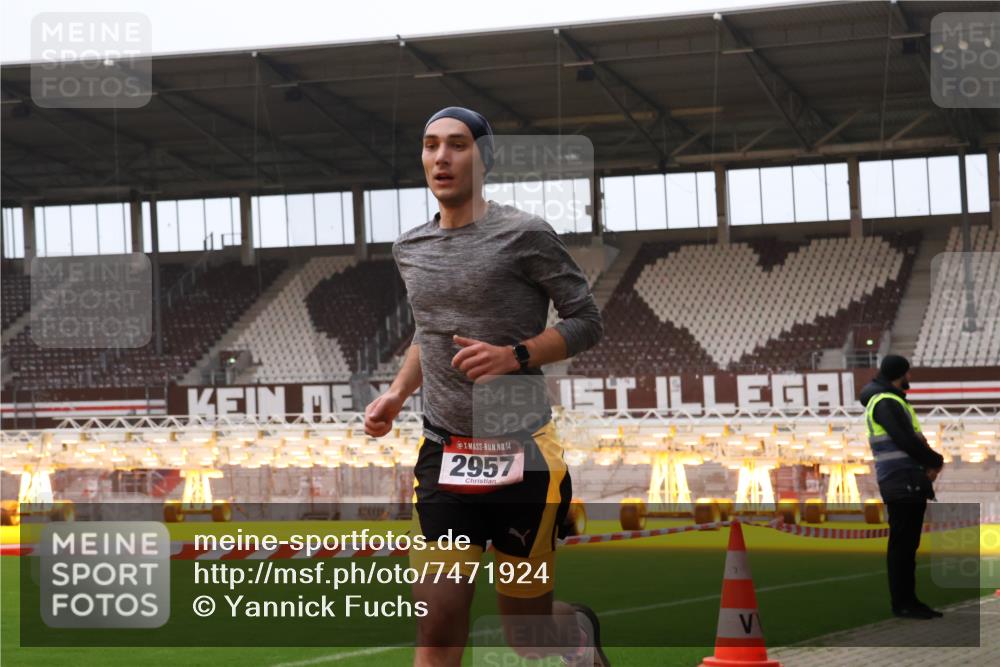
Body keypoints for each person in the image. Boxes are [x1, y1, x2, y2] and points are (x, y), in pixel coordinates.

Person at [364, 106, 607, 666]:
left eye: (457, 144)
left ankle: (577, 633)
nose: (441, 157)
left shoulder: (525, 234)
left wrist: (514, 355)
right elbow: (428, 336)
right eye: (430, 146)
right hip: (444, 456)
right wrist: (397, 393)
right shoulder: (410, 248)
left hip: (523, 457)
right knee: (437, 632)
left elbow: (586, 320)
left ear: (485, 157)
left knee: (526, 637)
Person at [859, 354, 945, 620]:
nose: (910, 378)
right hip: (901, 479)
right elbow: (906, 439)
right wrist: (935, 460)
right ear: (900, 374)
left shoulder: (885, 400)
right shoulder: (887, 402)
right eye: (908, 373)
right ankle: (904, 603)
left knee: (906, 545)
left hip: (902, 478)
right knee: (903, 546)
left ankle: (908, 600)